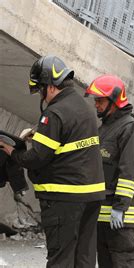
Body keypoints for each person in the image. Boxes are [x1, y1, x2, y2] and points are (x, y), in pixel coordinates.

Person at [0, 55, 105, 267]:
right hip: (91, 195)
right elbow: (68, 147)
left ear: (50, 86)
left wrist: (12, 151)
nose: (42, 96)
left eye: (40, 90)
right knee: (83, 257)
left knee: (61, 258)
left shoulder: (54, 113)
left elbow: (37, 158)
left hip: (65, 198)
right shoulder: (84, 108)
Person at [85, 75, 134, 268]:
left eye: (100, 100)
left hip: (120, 215)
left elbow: (130, 171)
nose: (96, 105)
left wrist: (120, 207)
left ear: (114, 100)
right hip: (103, 212)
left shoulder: (130, 128)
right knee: (106, 263)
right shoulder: (105, 128)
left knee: (123, 262)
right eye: (95, 100)